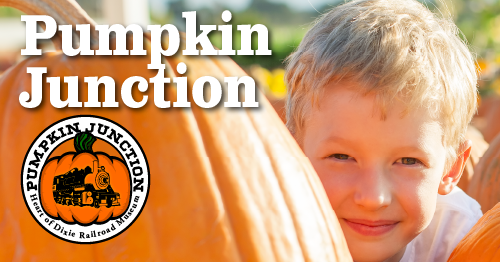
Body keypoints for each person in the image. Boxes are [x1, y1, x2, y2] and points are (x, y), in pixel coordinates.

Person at [284, 0, 483, 261]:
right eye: (342, 157)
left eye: (409, 161)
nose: (373, 198)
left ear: (451, 169)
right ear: (292, 154)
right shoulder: (267, 231)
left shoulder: (458, 237)